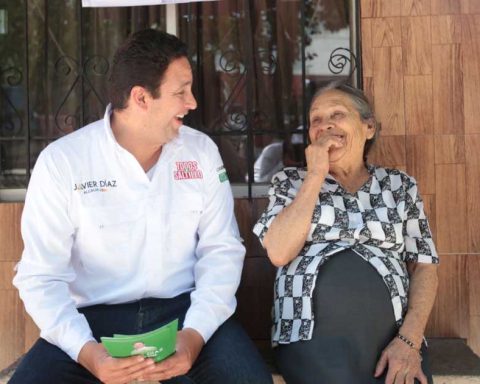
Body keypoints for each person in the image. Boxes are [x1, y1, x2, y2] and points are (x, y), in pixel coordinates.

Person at [11, 29, 272, 384]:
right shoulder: (63, 162)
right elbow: (40, 277)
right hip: (90, 320)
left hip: (184, 313)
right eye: (181, 92)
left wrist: (193, 338)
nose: (192, 103)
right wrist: (90, 355)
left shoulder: (201, 152)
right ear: (141, 98)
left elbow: (221, 251)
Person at [253, 83, 439, 384]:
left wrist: (409, 340)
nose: (325, 125)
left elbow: (425, 265)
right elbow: (278, 251)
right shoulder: (289, 182)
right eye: (316, 119)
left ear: (368, 127)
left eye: (337, 114)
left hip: (393, 341)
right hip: (311, 339)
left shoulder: (399, 186)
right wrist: (315, 174)